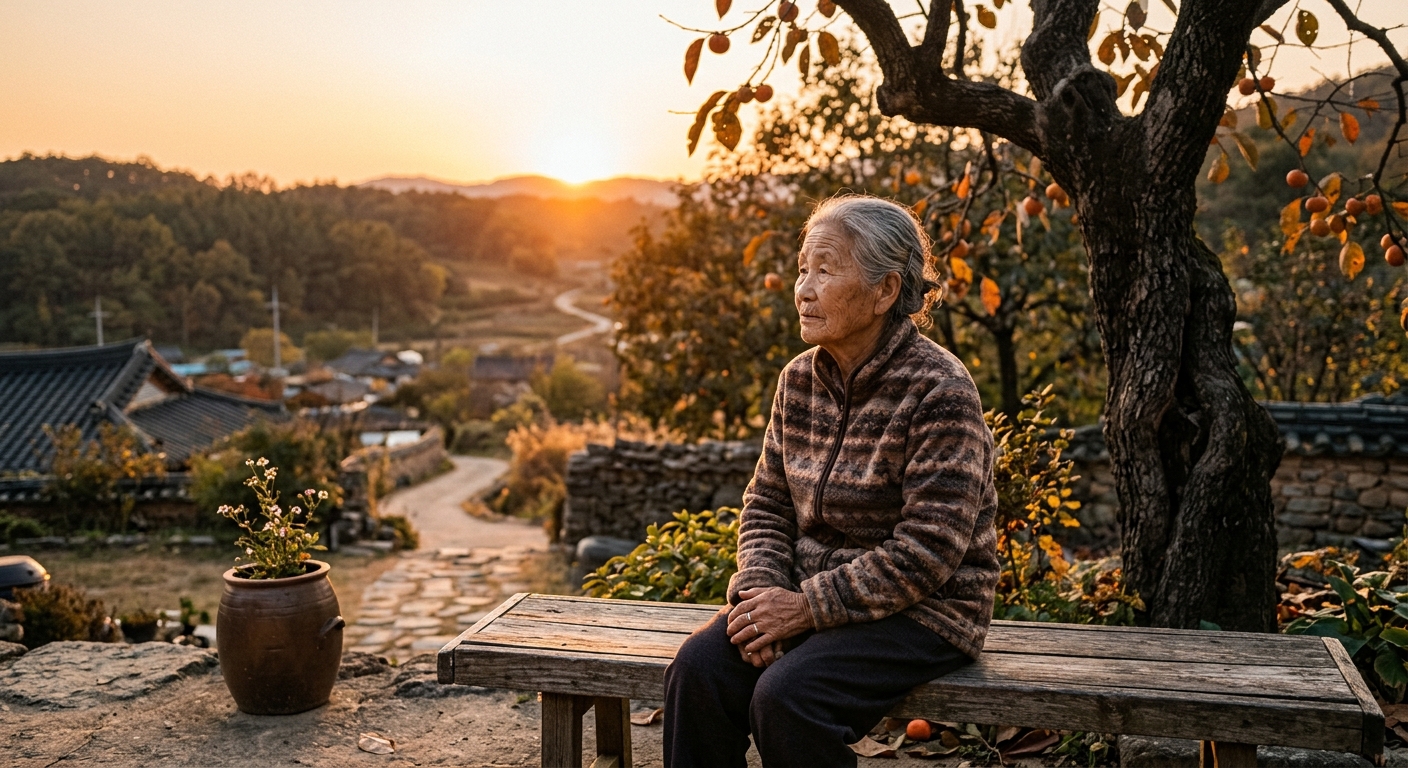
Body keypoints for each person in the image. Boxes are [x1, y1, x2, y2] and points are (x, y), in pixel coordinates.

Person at [663, 195, 1000, 767]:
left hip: (924, 611)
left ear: (885, 290)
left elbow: (929, 550)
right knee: (698, 670)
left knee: (789, 697)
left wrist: (804, 609)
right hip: (802, 595)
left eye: (825, 269)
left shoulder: (939, 390)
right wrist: (759, 597)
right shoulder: (798, 381)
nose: (804, 288)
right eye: (802, 269)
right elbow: (768, 502)